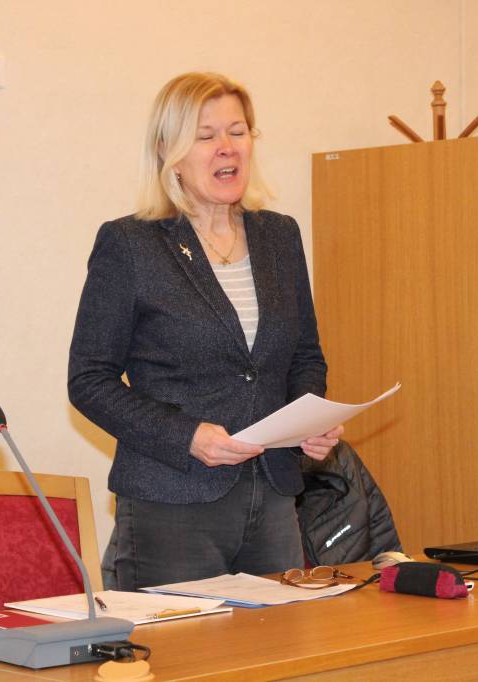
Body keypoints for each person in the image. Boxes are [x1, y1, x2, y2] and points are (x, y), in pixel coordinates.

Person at [68, 72, 343, 591]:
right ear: (168, 153)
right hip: (172, 503)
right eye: (206, 135)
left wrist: (310, 418)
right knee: (185, 644)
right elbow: (89, 380)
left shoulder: (280, 236)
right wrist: (186, 435)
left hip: (274, 495)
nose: (227, 147)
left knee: (283, 641)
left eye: (237, 132)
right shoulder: (131, 244)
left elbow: (305, 355)